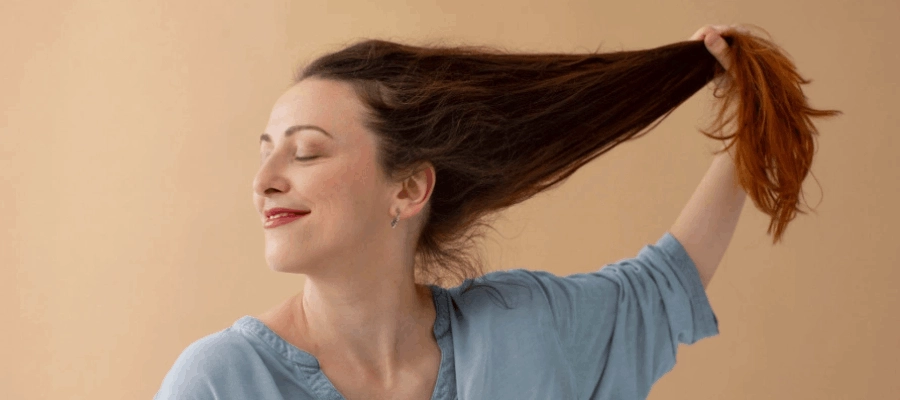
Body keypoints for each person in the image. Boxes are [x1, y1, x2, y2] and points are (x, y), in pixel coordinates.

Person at [154, 24, 838, 399]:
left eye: (305, 153)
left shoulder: (522, 332)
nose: (264, 181)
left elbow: (664, 286)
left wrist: (753, 121)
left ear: (408, 189)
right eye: (266, 152)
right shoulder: (222, 384)